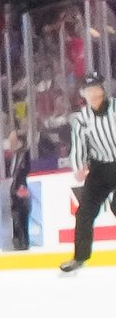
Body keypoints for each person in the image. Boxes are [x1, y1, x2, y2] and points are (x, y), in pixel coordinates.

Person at [61, 74, 116, 273]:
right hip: (100, 169)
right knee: (84, 213)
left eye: (95, 88)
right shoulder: (82, 118)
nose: (92, 92)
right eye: (88, 89)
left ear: (102, 89)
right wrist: (78, 166)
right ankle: (80, 257)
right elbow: (79, 145)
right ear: (83, 93)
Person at [5, 129, 31, 252]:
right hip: (14, 189)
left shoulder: (25, 155)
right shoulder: (14, 156)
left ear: (20, 142)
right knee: (16, 215)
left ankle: (23, 241)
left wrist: (22, 185)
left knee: (22, 215)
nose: (10, 144)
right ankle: (18, 241)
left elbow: (25, 170)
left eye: (13, 141)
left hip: (21, 189)